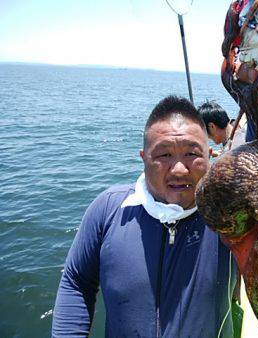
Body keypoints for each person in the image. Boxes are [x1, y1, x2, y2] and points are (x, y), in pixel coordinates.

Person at [52, 96, 238, 337]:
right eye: (164, 155)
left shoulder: (231, 213)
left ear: (211, 154)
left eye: (192, 153)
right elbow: (77, 281)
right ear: (144, 158)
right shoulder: (109, 209)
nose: (179, 169)